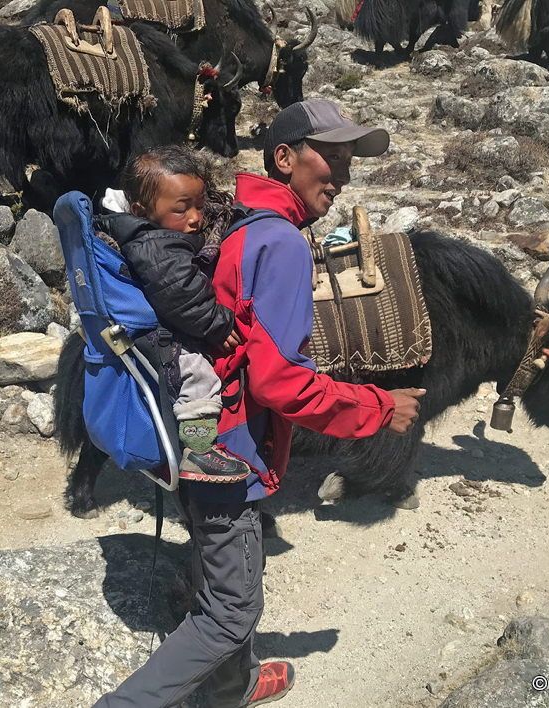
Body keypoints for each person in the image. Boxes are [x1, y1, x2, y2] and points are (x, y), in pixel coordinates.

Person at [94, 100, 426, 708]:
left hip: (192, 427)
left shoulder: (240, 221)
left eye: (350, 160)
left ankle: (230, 687)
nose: (344, 175)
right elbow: (279, 383)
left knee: (217, 564)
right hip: (229, 449)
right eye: (333, 157)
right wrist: (378, 408)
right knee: (231, 609)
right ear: (284, 158)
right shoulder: (282, 245)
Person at [97, 146, 253, 483]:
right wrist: (216, 322)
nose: (196, 218)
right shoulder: (155, 245)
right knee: (197, 375)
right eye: (182, 209)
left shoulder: (153, 231)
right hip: (153, 336)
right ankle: (199, 450)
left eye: (199, 205)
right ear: (142, 210)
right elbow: (178, 293)